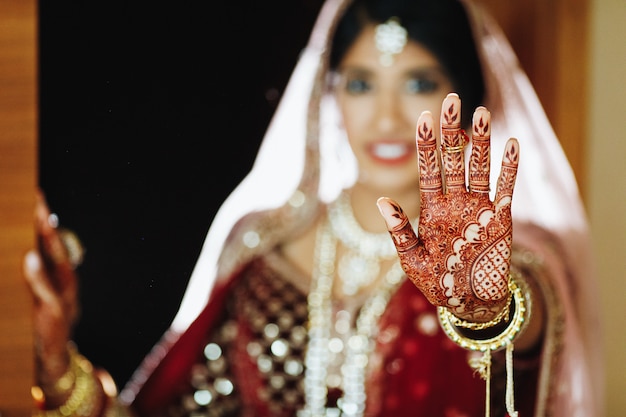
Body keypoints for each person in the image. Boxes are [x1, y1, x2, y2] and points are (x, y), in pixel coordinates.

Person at [24, 0, 604, 415]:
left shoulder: (514, 260)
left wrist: (485, 313)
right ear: (329, 95)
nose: (386, 119)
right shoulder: (264, 248)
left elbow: (518, 336)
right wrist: (57, 370)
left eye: (419, 84)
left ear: (469, 98)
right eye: (360, 84)